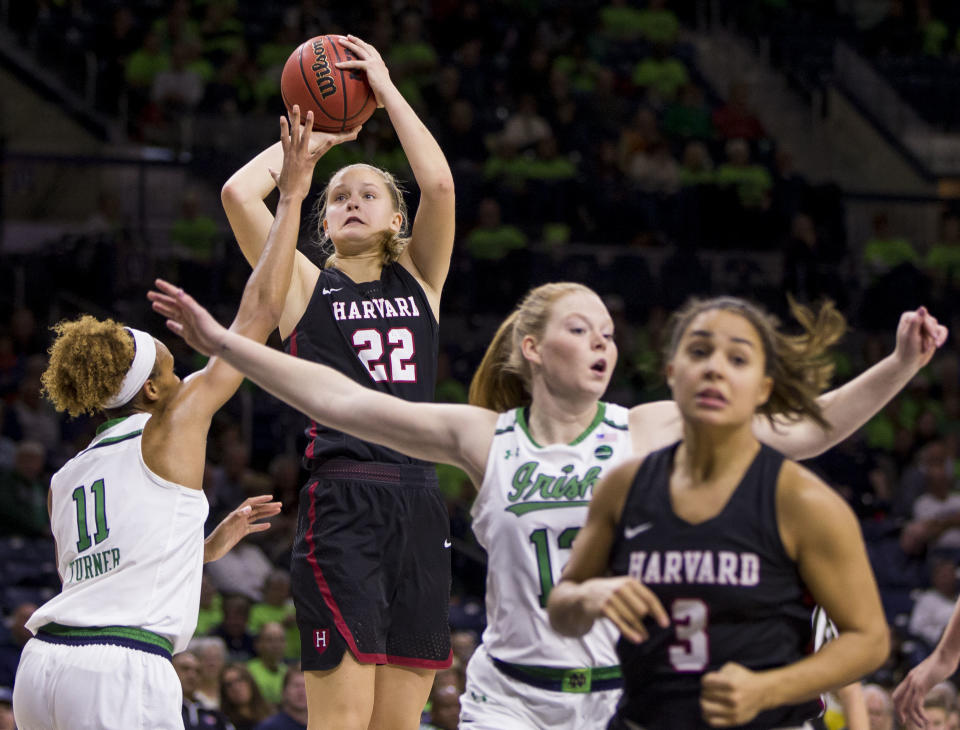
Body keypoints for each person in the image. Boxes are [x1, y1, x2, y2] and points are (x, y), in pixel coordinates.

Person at [151, 275, 946, 730]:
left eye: (608, 331)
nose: (603, 343)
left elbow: (801, 432)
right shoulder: (481, 435)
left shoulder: (647, 427)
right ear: (532, 349)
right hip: (511, 701)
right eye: (581, 328)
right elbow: (341, 399)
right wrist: (224, 344)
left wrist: (900, 366)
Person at [9, 104, 325, 730]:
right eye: (172, 366)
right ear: (152, 392)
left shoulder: (63, 480)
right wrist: (290, 195)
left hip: (43, 668)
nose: (183, 374)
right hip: (121, 670)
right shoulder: (174, 419)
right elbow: (260, 312)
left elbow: (114, 572)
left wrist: (205, 547)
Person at [220, 33, 455, 730]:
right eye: (337, 197)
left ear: (397, 219)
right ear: (320, 221)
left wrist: (384, 89)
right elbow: (239, 192)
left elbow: (439, 183)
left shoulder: (420, 279)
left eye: (369, 193)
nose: (351, 200)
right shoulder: (300, 284)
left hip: (420, 503)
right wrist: (318, 139)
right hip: (343, 503)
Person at [546, 296, 893, 729]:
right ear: (672, 373)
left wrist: (769, 689)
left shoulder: (804, 502)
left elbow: (871, 640)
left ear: (763, 388)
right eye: (698, 351)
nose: (714, 368)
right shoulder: (623, 486)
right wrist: (586, 597)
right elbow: (561, 607)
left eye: (737, 358)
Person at [176, 650, 237, 730]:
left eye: (198, 671)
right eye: (185, 668)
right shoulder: (163, 706)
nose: (192, 675)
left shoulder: (214, 714)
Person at [220, 663, 274, 730]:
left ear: (250, 681)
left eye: (240, 680)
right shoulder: (223, 722)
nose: (236, 688)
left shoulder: (271, 712)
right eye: (229, 684)